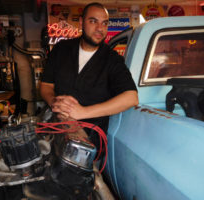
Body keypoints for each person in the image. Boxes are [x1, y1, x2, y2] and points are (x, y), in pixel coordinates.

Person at [40, 2, 138, 148]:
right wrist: (53, 102)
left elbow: (131, 97)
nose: (100, 28)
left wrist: (82, 112)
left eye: (104, 23)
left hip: (90, 143)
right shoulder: (61, 50)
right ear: (81, 22)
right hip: (55, 135)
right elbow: (46, 85)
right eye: (93, 21)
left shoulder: (112, 60)